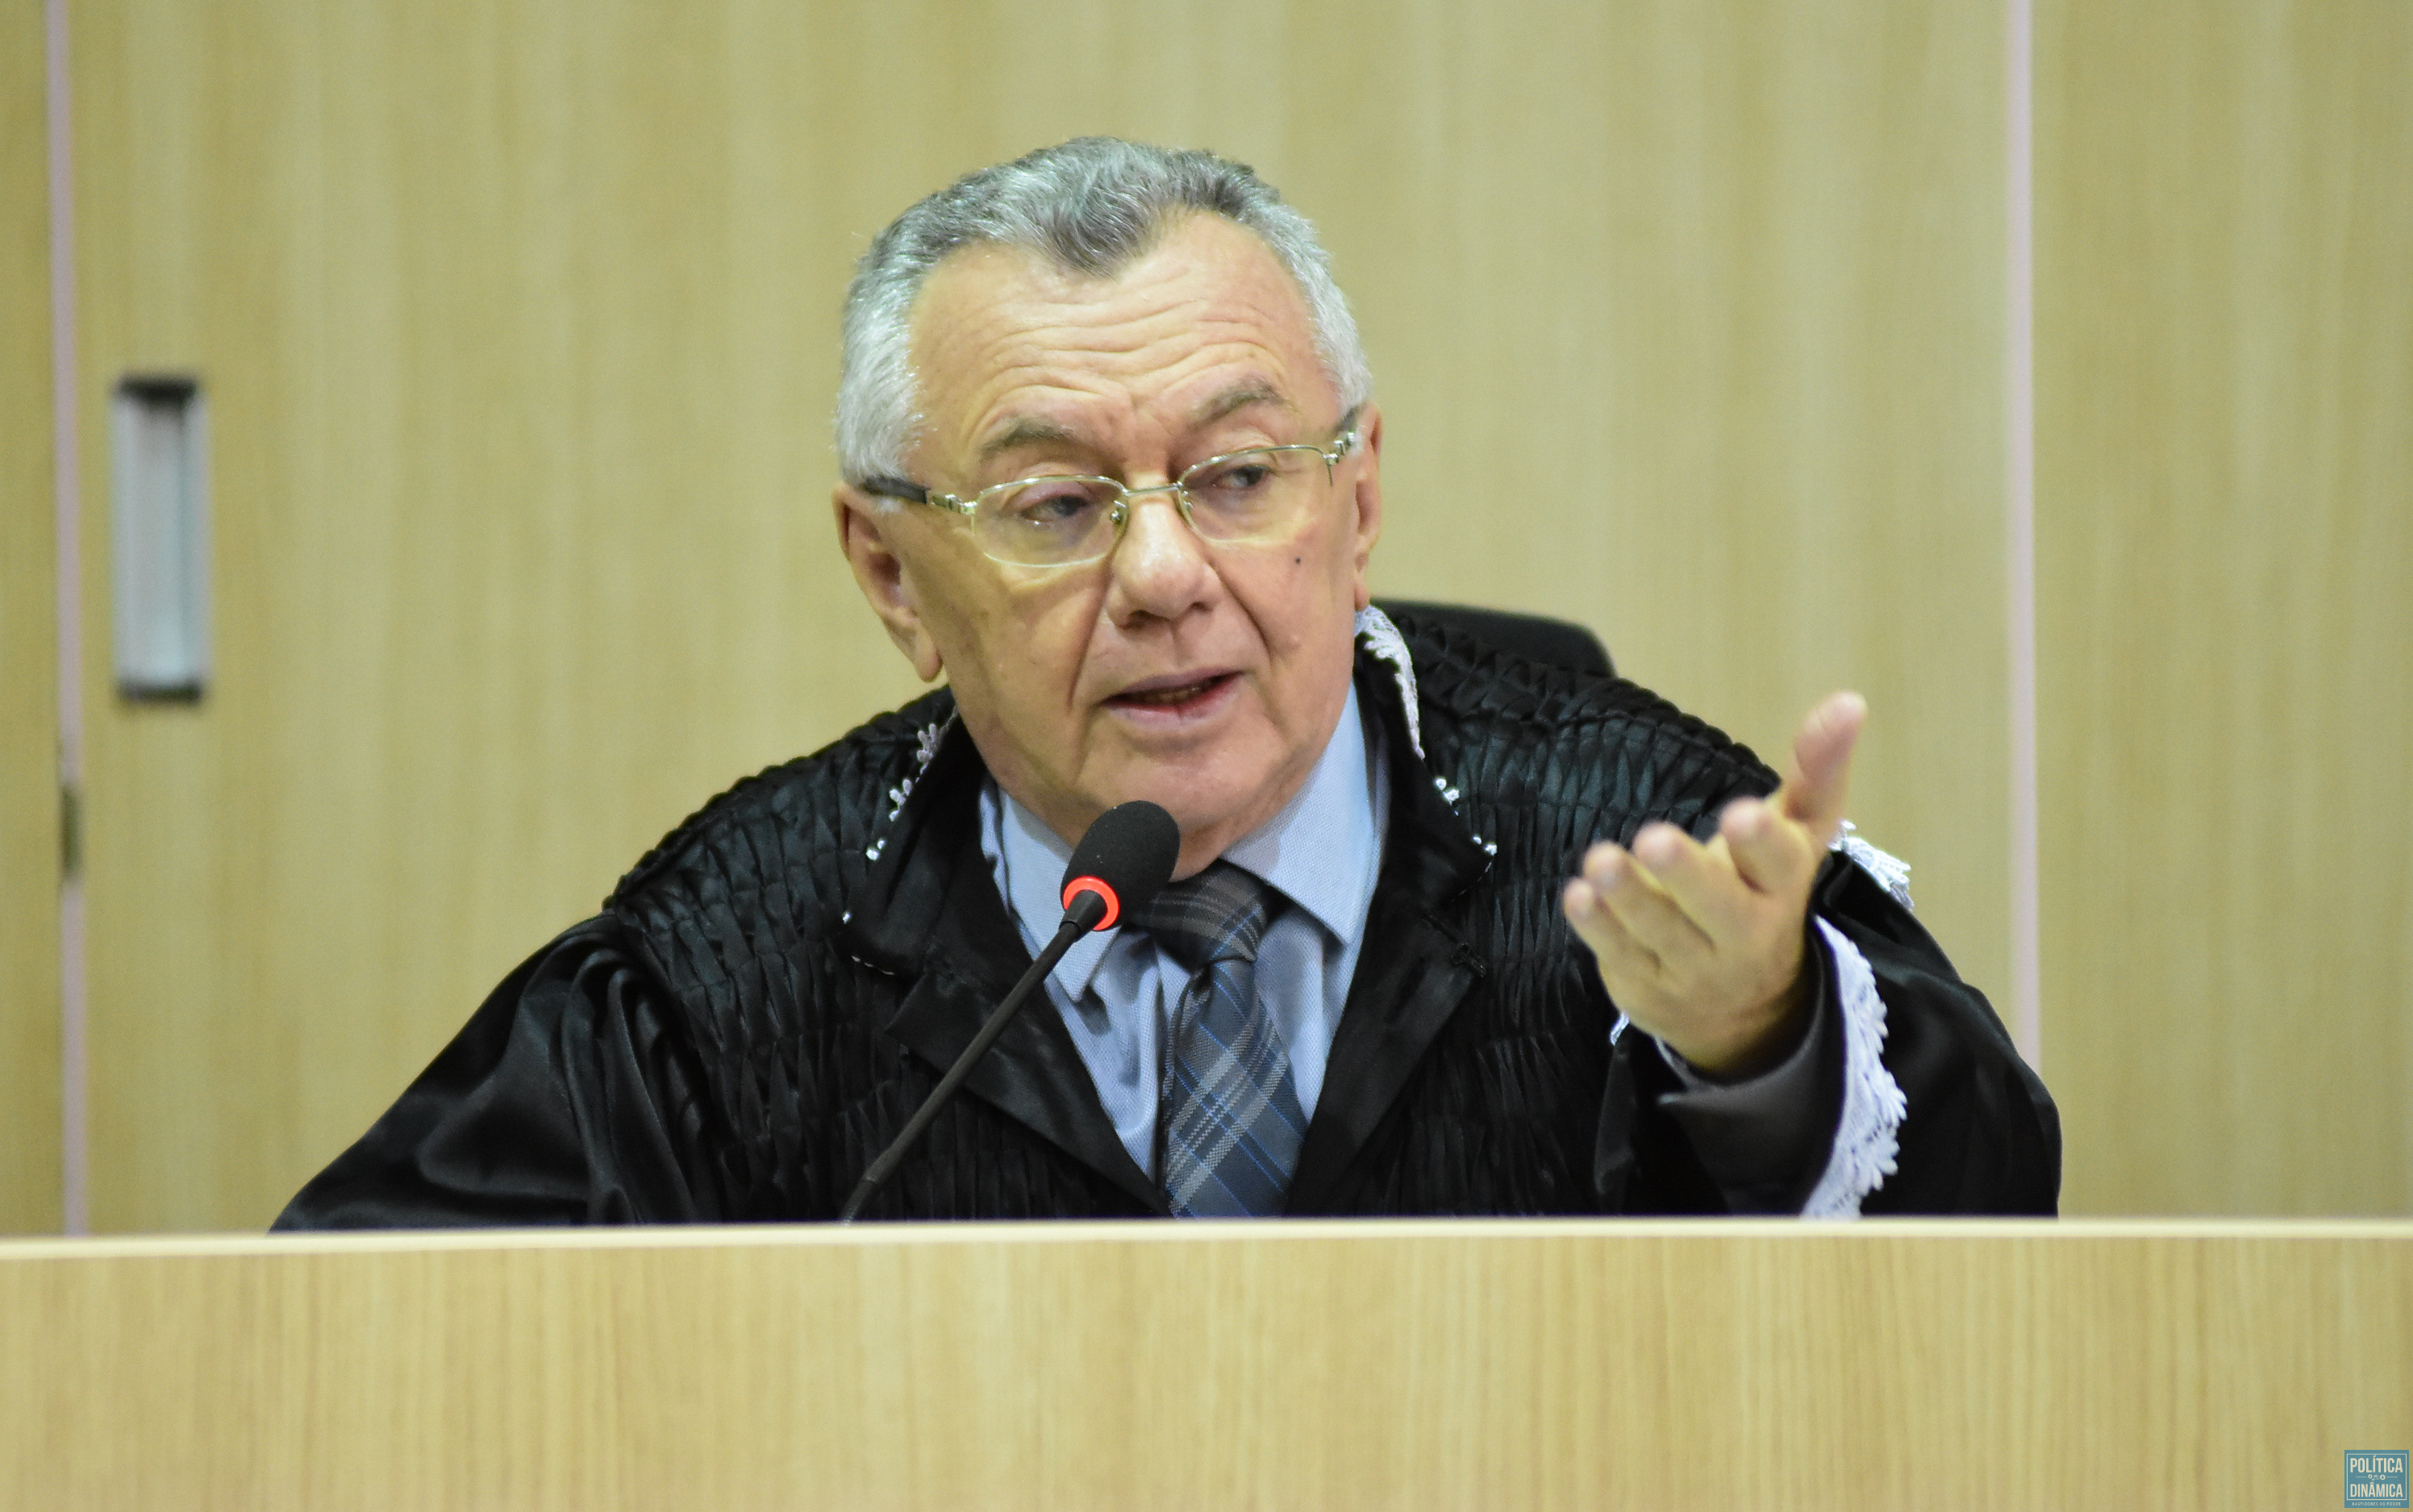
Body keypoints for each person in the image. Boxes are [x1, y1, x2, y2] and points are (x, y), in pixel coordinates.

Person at [276, 139, 2057, 1227]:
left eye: (1234, 475)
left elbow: (1998, 1226)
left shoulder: (1645, 852)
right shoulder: (738, 950)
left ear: (1353, 507)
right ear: (890, 574)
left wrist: (1761, 1047)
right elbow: (372, 1350)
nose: (1160, 577)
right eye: (1054, 504)